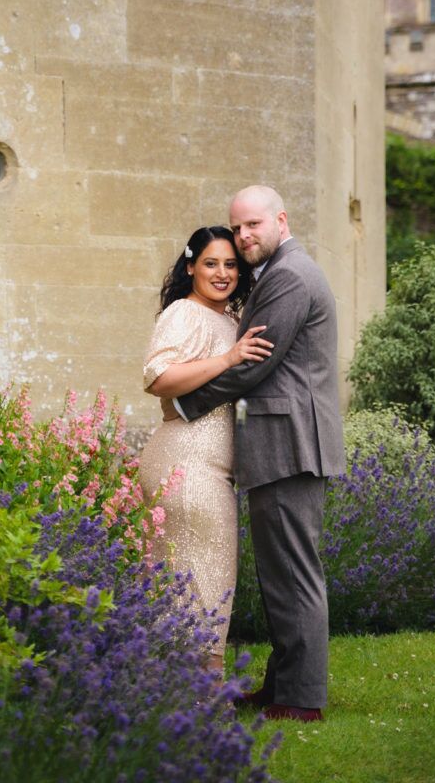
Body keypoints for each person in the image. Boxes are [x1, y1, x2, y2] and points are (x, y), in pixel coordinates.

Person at [173, 186, 345, 722]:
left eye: (253, 224)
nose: (244, 236)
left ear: (281, 220)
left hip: (290, 443)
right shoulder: (280, 271)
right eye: (237, 227)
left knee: (293, 572)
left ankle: (301, 699)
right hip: (283, 441)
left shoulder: (290, 275)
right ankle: (282, 685)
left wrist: (184, 403)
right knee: (282, 572)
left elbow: (255, 363)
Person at [139, 226, 274, 677]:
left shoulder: (230, 319)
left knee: (193, 578)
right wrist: (229, 359)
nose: (222, 273)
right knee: (206, 577)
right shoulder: (184, 312)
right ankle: (206, 689)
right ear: (190, 266)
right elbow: (158, 378)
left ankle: (169, 685)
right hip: (186, 462)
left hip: (212, 466)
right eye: (211, 263)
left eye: (231, 264)